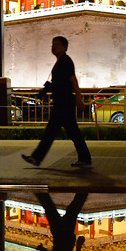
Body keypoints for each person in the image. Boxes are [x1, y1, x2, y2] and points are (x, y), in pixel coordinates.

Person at [21, 36, 92, 168]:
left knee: (56, 131)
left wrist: (79, 99)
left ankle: (37, 157)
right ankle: (85, 158)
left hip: (64, 102)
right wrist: (45, 90)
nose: (53, 47)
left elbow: (73, 80)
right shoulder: (60, 62)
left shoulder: (66, 61)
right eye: (52, 44)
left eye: (57, 44)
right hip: (61, 101)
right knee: (68, 131)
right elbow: (58, 82)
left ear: (65, 47)